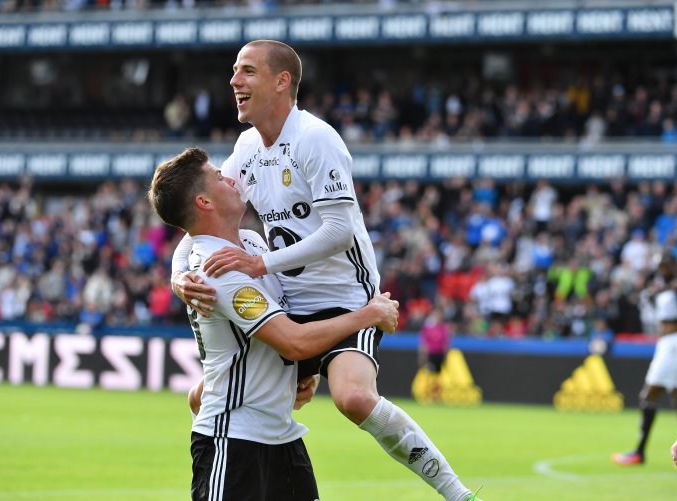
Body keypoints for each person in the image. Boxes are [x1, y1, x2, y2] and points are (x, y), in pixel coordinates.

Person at [172, 40, 481, 501]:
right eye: (235, 71)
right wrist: (180, 277)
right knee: (201, 398)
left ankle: (458, 494)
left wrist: (262, 262)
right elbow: (200, 219)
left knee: (353, 398)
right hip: (289, 305)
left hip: (345, 297)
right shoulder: (247, 147)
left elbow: (338, 231)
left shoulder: (316, 139)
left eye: (247, 71)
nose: (234, 81)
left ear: (282, 82)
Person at [148, 146, 399, 500]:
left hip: (281, 439)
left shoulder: (248, 243)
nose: (231, 179)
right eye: (220, 177)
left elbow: (191, 237)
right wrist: (368, 315)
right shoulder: (217, 271)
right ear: (205, 202)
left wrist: (300, 373)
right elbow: (293, 341)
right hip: (233, 443)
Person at [612, 251, 677, 466]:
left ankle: (639, 452)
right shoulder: (660, 290)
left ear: (673, 266)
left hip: (675, 343)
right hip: (668, 344)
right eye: (659, 266)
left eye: (665, 265)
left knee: (649, 394)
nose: (662, 269)